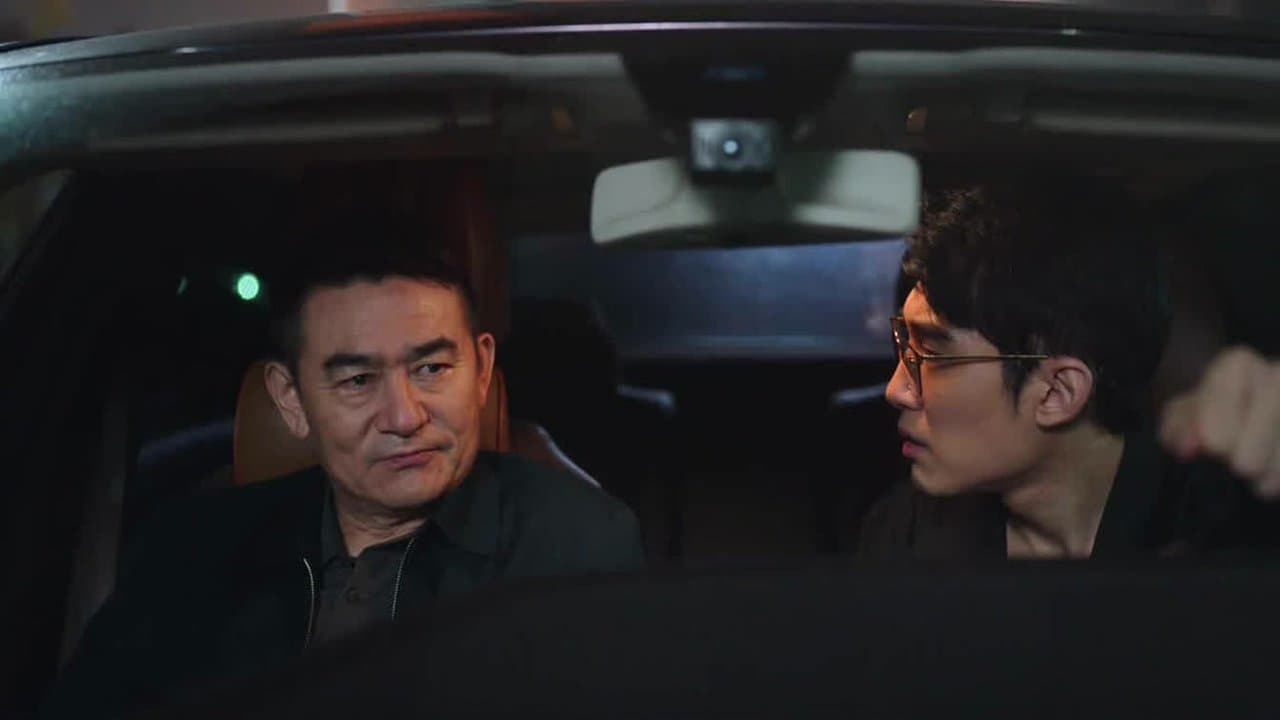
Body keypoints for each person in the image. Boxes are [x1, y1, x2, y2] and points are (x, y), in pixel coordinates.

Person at [44, 213, 645, 718]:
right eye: (358, 381)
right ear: (291, 399)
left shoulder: (571, 548)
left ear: (483, 371)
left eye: (432, 369)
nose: (404, 416)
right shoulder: (192, 552)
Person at [859, 178, 1279, 559]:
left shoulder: (1226, 529)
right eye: (904, 344)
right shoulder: (907, 535)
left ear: (1057, 393)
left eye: (931, 354)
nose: (896, 390)